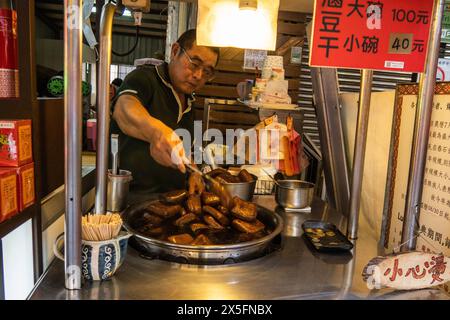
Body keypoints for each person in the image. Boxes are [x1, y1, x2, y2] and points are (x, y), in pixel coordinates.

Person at [110, 29, 220, 195]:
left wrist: (194, 173)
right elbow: (124, 108)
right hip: (130, 198)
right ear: (175, 51)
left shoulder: (190, 102)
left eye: (207, 71)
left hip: (174, 201)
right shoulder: (144, 78)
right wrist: (156, 132)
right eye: (194, 64)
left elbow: (187, 150)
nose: (198, 75)